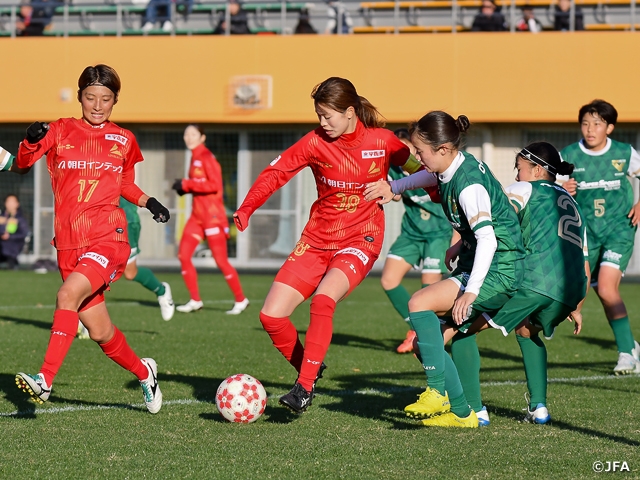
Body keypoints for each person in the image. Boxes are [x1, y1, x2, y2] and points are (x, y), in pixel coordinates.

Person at [233, 77, 422, 413]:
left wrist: (399, 187)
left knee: (323, 300)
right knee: (271, 316)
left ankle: (304, 389)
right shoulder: (314, 142)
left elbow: (421, 169)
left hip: (361, 237)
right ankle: (311, 367)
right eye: (319, 115)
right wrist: (247, 207)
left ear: (350, 112)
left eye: (327, 115)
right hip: (317, 239)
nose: (322, 122)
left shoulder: (384, 142)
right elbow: (276, 173)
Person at [14, 64, 170, 414]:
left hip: (108, 236)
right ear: (80, 95)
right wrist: (30, 139)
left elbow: (124, 183)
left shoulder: (124, 138)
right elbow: (24, 163)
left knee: (67, 295)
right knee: (100, 332)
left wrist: (149, 201)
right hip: (68, 244)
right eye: (90, 97)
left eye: (106, 99)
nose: (98, 106)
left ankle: (45, 380)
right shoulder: (60, 129)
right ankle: (146, 373)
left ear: (115, 100)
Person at [365, 111, 525, 428]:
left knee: (420, 304)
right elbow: (429, 176)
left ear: (442, 149)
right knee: (434, 342)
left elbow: (488, 240)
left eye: (421, 152)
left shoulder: (469, 187)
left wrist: (471, 292)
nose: (418, 159)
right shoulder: (452, 164)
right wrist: (395, 186)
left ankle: (440, 394)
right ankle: (466, 414)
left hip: (500, 269)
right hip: (482, 262)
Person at [444, 142, 588, 426]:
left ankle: (473, 409)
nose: (517, 175)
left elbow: (497, 219)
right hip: (569, 290)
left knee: (459, 326)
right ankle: (539, 408)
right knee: (526, 330)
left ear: (536, 170)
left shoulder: (524, 189)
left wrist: (460, 243)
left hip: (533, 281)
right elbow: (583, 258)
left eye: (519, 169)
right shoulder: (572, 204)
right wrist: (578, 305)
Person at [561, 100, 640, 375]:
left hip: (619, 229)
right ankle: (630, 345)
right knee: (594, 291)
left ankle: (626, 355)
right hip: (587, 234)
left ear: (610, 127)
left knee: (607, 288)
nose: (590, 129)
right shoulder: (569, 155)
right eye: (585, 123)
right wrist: (563, 188)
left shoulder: (624, 152)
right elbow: (550, 190)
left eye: (596, 123)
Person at [382, 128, 458, 354]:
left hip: (438, 233)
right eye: (399, 150)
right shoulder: (394, 170)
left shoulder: (429, 166)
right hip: (412, 233)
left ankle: (431, 335)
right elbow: (393, 195)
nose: (407, 154)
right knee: (388, 280)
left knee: (429, 289)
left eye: (410, 149)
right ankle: (416, 329)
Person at [173, 124, 249, 315]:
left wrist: (187, 183)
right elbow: (200, 185)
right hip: (197, 216)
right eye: (186, 134)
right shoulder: (194, 157)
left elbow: (215, 185)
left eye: (193, 134)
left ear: (202, 137)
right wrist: (186, 188)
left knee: (220, 260)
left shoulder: (206, 157)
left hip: (213, 217)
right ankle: (195, 300)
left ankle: (241, 299)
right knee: (183, 255)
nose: (189, 137)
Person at [120, 197, 175, 321]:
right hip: (97, 222)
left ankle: (162, 291)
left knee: (130, 273)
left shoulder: (115, 177)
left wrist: (152, 204)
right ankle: (84, 319)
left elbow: (128, 188)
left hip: (126, 222)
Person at [0, 194, 30, 270]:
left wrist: (9, 236)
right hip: (1, 242)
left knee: (8, 247)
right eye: (8, 202)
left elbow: (23, 233)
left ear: (17, 204)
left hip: (14, 244)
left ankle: (12, 262)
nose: (10, 204)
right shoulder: (1, 217)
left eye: (12, 202)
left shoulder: (20, 219)